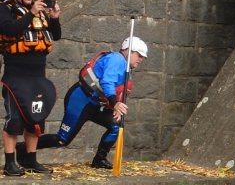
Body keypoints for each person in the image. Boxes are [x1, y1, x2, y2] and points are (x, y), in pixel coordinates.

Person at [17, 36, 147, 169]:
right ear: (128, 50)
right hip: (80, 99)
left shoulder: (127, 68)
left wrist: (115, 106)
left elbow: (118, 89)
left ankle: (99, 160)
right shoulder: (117, 60)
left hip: (96, 104)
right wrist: (115, 104)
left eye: (143, 57)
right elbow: (107, 83)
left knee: (116, 126)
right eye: (139, 55)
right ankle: (23, 147)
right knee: (62, 140)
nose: (141, 59)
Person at [0, 0, 61, 176]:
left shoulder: (40, 11)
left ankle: (31, 160)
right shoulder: (5, 9)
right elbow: (9, 30)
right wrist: (31, 13)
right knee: (14, 121)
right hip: (15, 76)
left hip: (38, 76)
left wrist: (54, 19)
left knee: (35, 120)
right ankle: (9, 163)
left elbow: (55, 36)